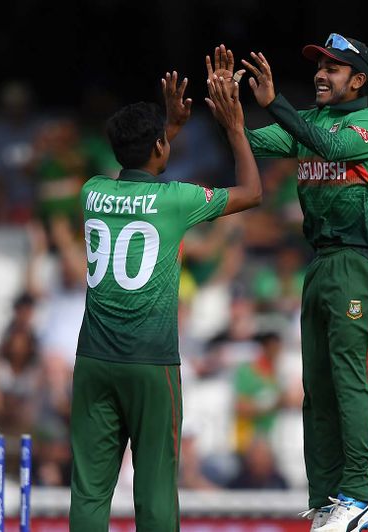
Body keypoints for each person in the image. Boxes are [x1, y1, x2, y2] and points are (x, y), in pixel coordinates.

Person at [208, 33, 368, 530]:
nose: (321, 74)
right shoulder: (307, 122)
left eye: (333, 68)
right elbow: (252, 144)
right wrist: (228, 111)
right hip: (321, 262)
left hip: (359, 261)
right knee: (319, 386)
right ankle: (330, 498)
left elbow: (329, 146)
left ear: (358, 79)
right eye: (319, 66)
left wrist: (274, 103)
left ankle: (361, 497)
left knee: (352, 379)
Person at [68, 71, 262, 531]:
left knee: (90, 490)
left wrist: (165, 130)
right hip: (151, 363)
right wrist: (235, 127)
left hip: (94, 360)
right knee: (154, 486)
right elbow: (253, 193)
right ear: (159, 147)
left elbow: (136, 165)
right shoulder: (176, 199)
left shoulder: (92, 192)